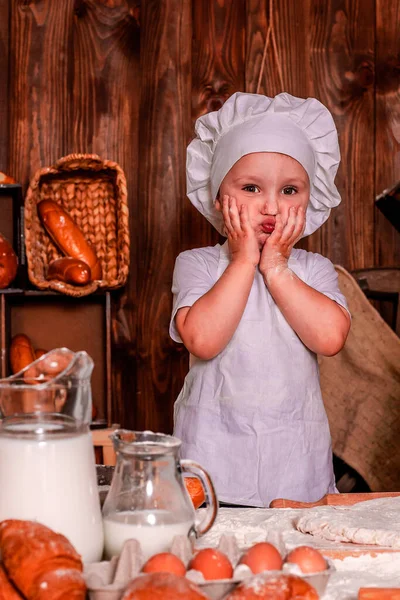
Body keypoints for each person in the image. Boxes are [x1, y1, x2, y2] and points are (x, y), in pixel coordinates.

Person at [169, 92, 351, 508]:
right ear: (217, 196)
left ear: (310, 199)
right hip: (212, 464)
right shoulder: (197, 264)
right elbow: (203, 339)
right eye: (251, 188)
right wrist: (246, 259)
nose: (271, 206)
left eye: (290, 190)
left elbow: (330, 339)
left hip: (294, 466)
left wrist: (276, 269)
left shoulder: (313, 270)